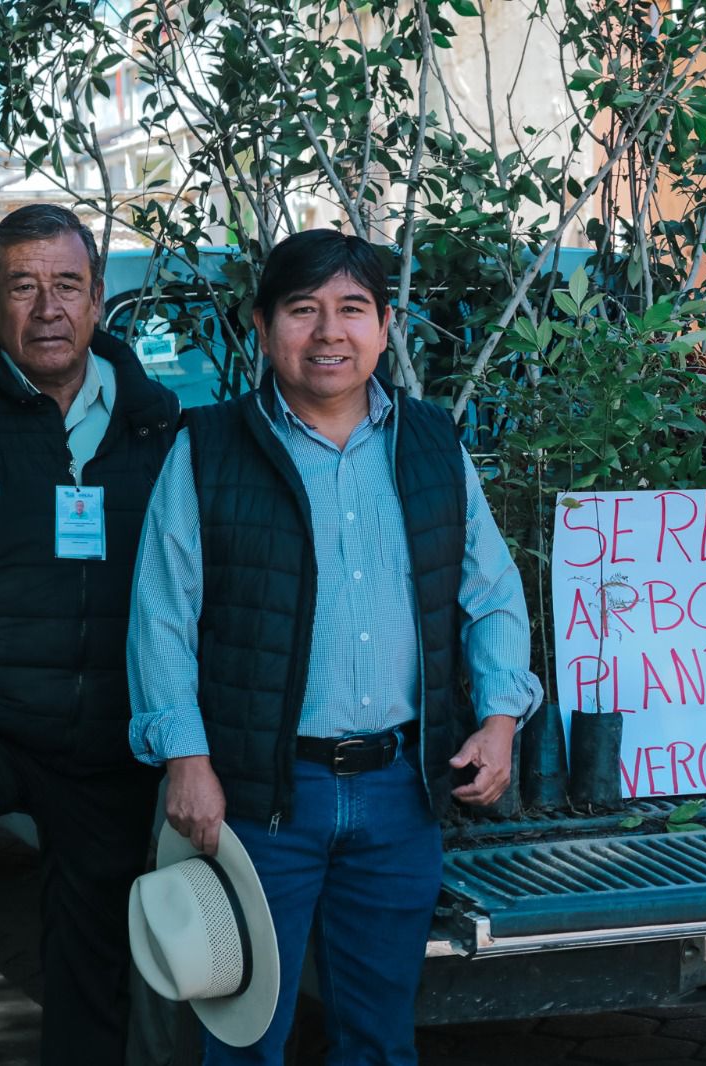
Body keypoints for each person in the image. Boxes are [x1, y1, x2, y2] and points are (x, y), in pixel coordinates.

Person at [127, 228, 543, 1065]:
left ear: (385, 326)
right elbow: (162, 614)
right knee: (244, 1042)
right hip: (259, 801)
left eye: (352, 309)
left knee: (380, 1041)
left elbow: (492, 595)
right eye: (302, 310)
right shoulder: (208, 449)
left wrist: (500, 719)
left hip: (399, 797)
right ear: (262, 324)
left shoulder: (431, 443)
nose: (329, 332)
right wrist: (186, 759)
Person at [0, 204, 180, 1065]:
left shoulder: (155, 423)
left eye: (66, 285)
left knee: (89, 960)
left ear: (100, 299)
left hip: (105, 732)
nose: (47, 308)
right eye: (23, 287)